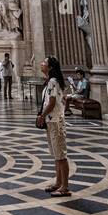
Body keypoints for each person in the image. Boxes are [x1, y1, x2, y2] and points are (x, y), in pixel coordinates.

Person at [37, 57, 69, 196]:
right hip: (52, 121)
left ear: (50, 67)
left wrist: (42, 115)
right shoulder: (52, 81)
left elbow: (51, 102)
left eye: (44, 62)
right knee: (57, 154)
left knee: (61, 155)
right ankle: (58, 183)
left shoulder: (52, 82)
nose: (41, 63)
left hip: (55, 121)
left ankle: (65, 187)